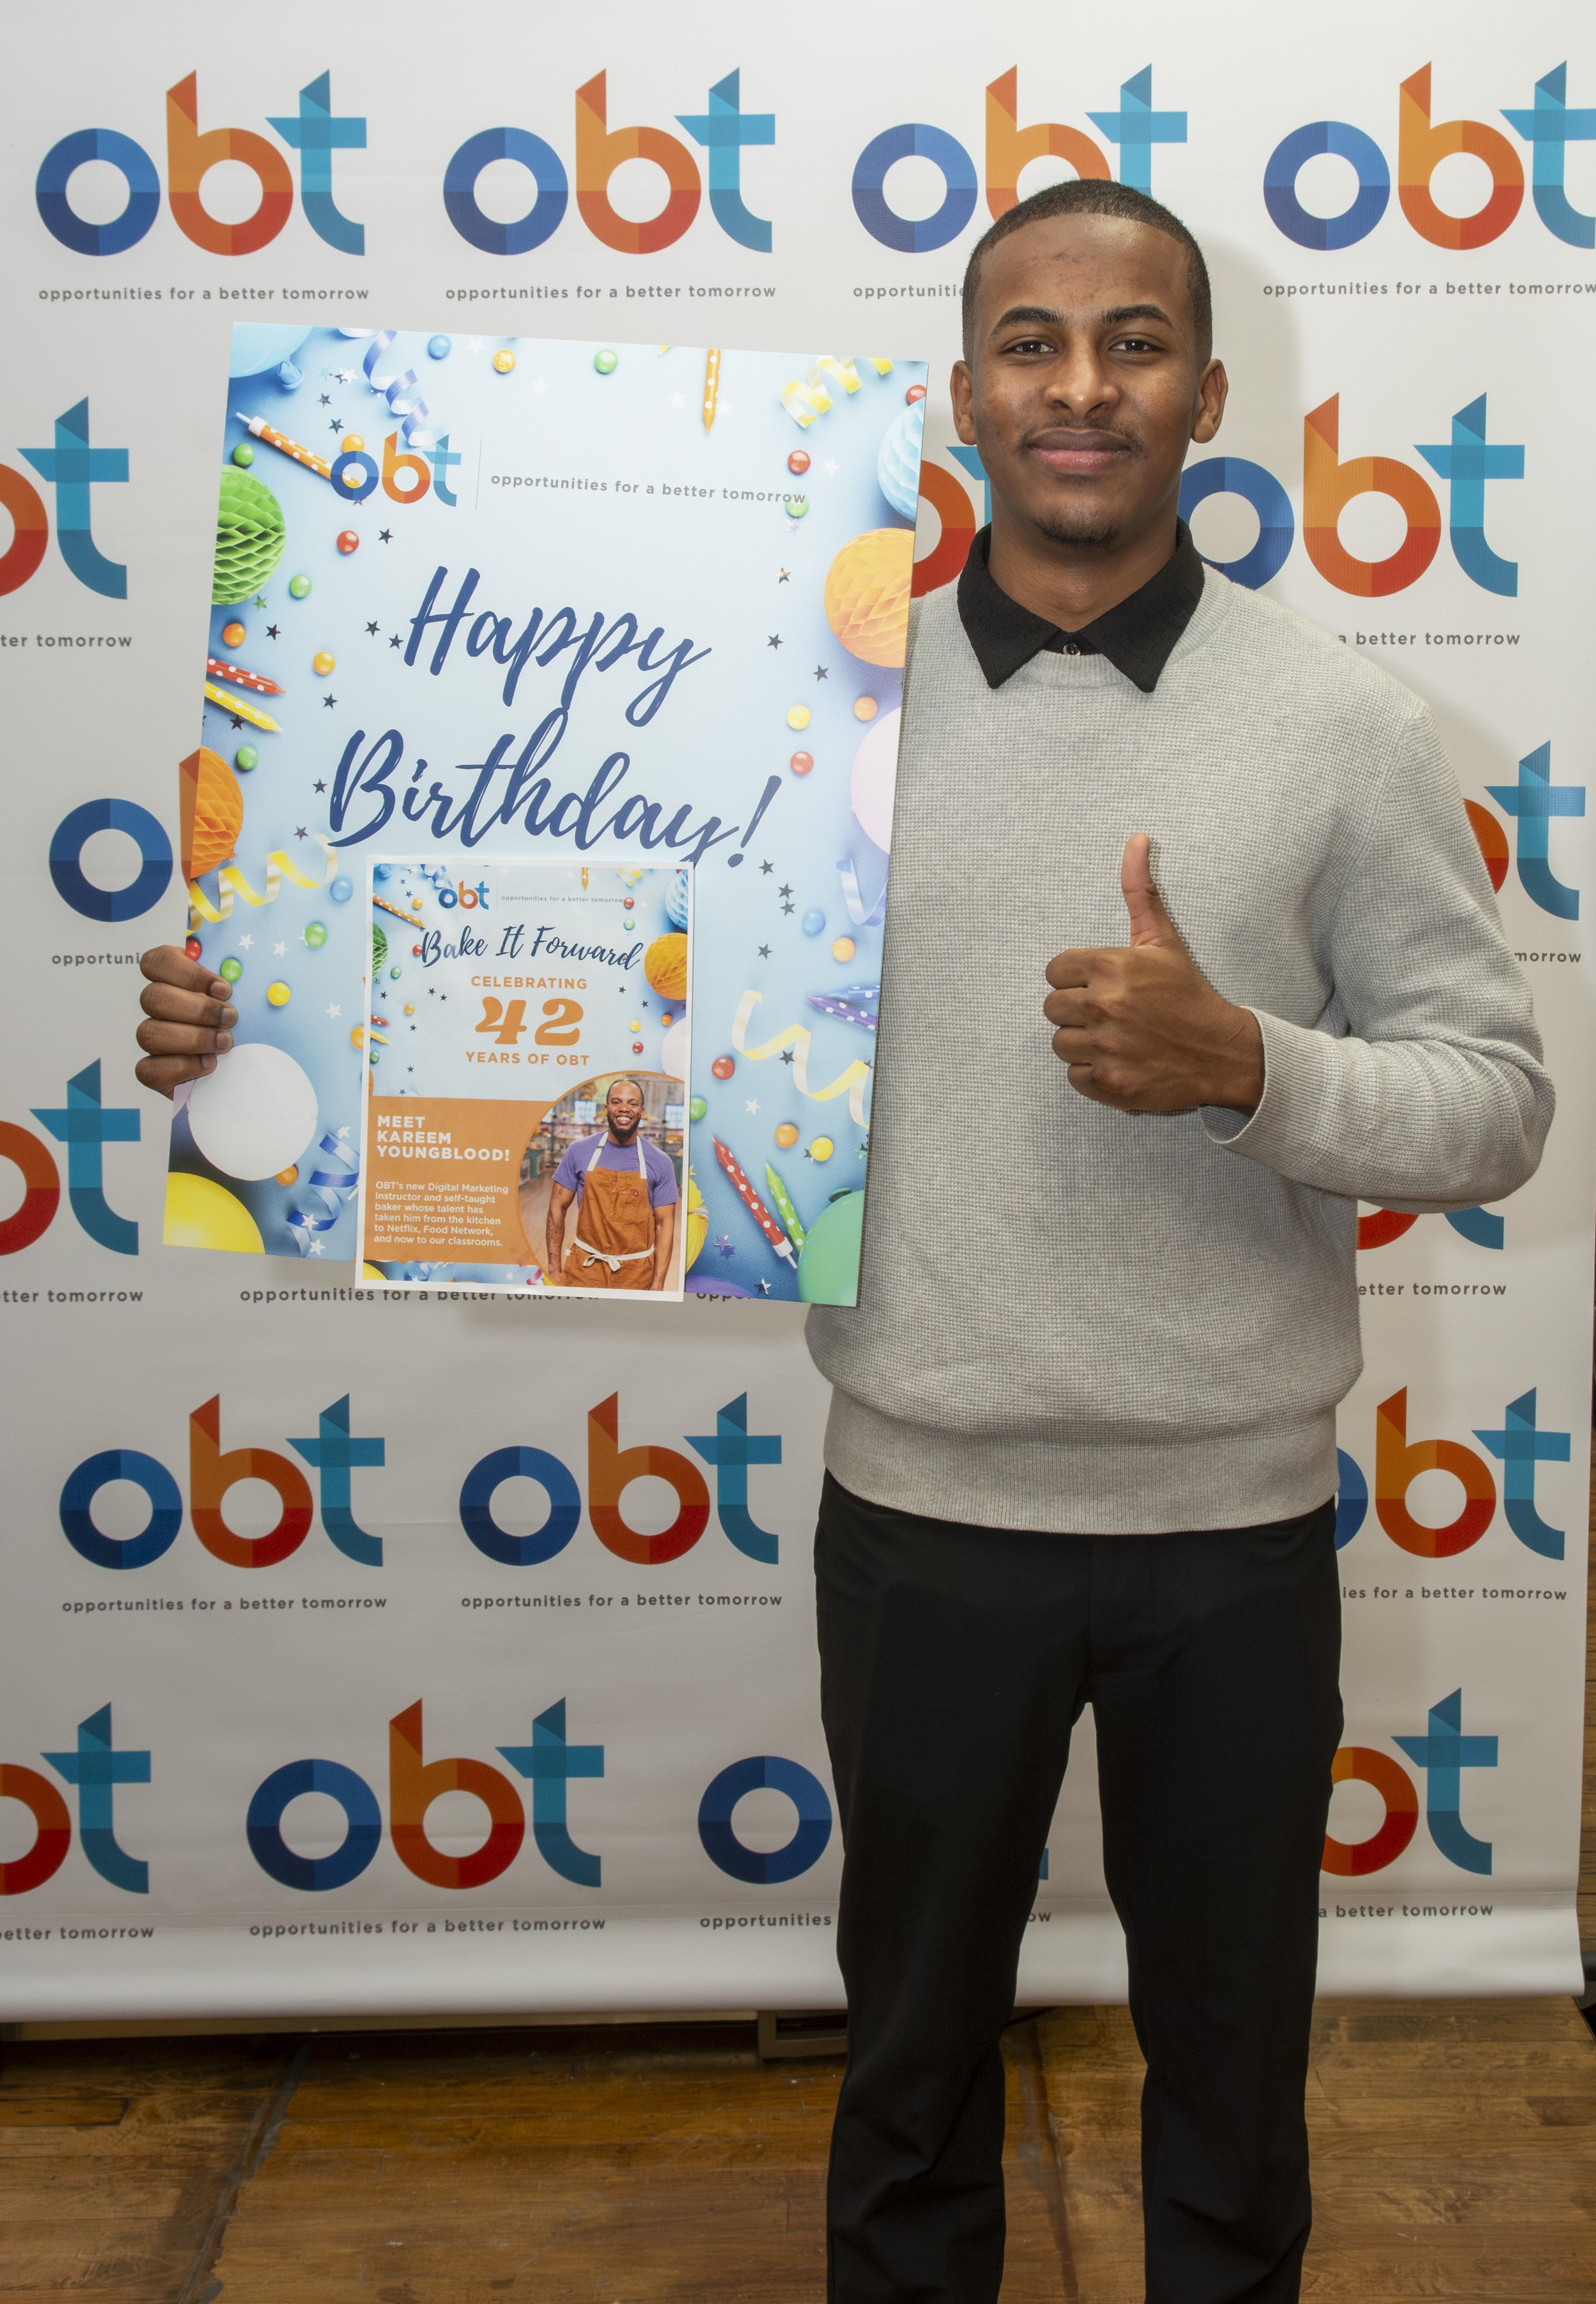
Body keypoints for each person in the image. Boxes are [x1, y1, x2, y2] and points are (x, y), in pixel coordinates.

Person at [132, 179, 1551, 2304]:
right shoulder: (796, 695)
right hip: (923, 1514)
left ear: (1210, 392)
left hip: (1230, 1534)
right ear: (963, 387)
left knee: (1237, 2087)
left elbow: (1500, 1102)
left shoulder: (1338, 722)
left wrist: (1247, 1062)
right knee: (904, 2079)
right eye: (1035, 341)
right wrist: (268, 1025)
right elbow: (534, 934)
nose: (1083, 386)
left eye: (1134, 341)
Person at [543, 1075, 677, 1291]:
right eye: (617, 1102)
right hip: (583, 1270)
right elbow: (557, 1209)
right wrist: (554, 1268)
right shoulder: (579, 1151)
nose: (624, 1109)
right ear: (606, 1108)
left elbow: (665, 1225)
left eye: (632, 1104)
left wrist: (658, 1284)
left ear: (642, 1111)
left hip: (637, 1274)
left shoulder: (660, 1162)